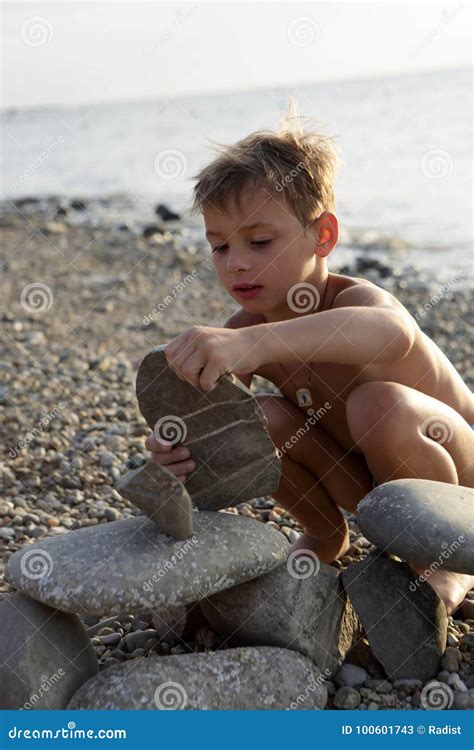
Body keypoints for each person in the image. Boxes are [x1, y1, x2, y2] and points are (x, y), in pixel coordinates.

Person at [146, 104, 474, 615]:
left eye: (259, 241)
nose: (237, 262)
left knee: (378, 405)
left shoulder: (355, 301)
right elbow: (209, 426)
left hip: (464, 483)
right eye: (219, 247)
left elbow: (393, 335)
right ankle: (325, 534)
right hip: (373, 490)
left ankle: (443, 560)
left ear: (322, 236)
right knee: (262, 417)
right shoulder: (244, 332)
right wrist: (174, 449)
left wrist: (251, 345)